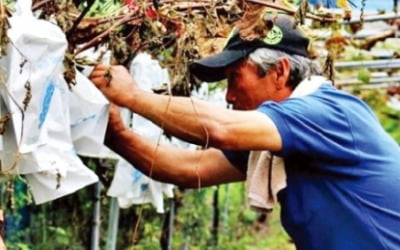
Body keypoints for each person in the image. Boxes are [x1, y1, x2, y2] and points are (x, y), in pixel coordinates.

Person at [89, 14, 400, 250]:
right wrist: (115, 135)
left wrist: (133, 96)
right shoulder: (277, 139)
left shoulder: (327, 113)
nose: (228, 96)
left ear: (280, 72)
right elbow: (189, 169)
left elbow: (218, 129)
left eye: (234, 78)